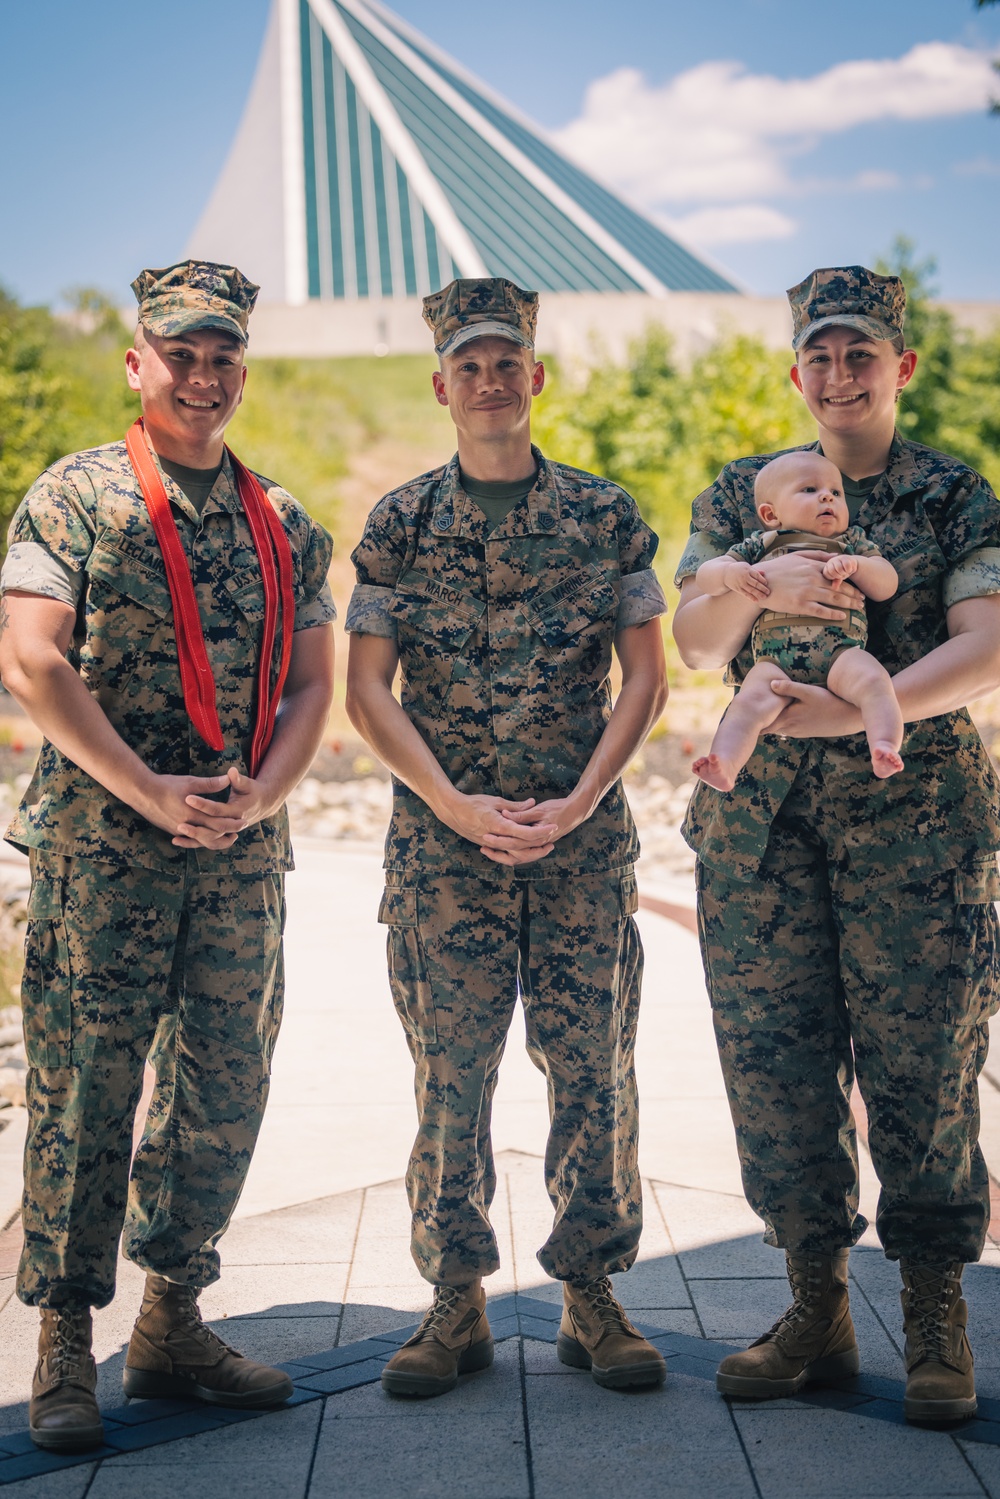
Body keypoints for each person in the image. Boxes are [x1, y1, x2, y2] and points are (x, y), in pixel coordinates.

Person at [0, 261, 337, 1452]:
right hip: (109, 848)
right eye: (179, 353)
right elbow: (32, 659)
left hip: (238, 853)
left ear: (243, 370)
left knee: (220, 1087)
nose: (202, 375)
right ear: (137, 362)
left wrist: (258, 800)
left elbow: (311, 686)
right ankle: (62, 1337)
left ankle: (172, 1319)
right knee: (87, 1086)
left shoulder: (285, 519)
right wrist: (147, 789)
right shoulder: (76, 496)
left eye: (222, 357)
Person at [672, 265, 1000, 1427]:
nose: (838, 372)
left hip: (915, 834)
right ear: (796, 370)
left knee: (922, 1067)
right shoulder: (748, 491)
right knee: (775, 1070)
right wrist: (740, 579)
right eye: (819, 354)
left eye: (860, 352)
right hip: (763, 835)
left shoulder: (954, 494)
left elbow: (986, 641)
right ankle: (813, 1305)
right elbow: (697, 634)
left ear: (900, 365)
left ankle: (931, 1310)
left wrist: (866, 707)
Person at [346, 277, 669, 1399]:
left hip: (580, 845)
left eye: (507, 361)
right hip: (446, 852)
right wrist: (450, 803)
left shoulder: (604, 513)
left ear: (537, 377)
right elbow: (367, 692)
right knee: (451, 1075)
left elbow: (646, 676)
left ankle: (592, 1291)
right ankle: (454, 1298)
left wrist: (581, 798)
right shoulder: (399, 522)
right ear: (443, 385)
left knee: (592, 1070)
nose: (490, 380)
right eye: (468, 365)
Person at [692, 449, 902, 791]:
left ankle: (884, 745)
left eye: (835, 492)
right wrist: (732, 575)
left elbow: (886, 584)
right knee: (748, 704)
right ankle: (725, 763)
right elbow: (705, 575)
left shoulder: (850, 543)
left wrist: (857, 567)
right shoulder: (760, 545)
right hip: (774, 661)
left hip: (841, 653)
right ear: (771, 514)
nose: (827, 496)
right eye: (809, 490)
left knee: (875, 683)